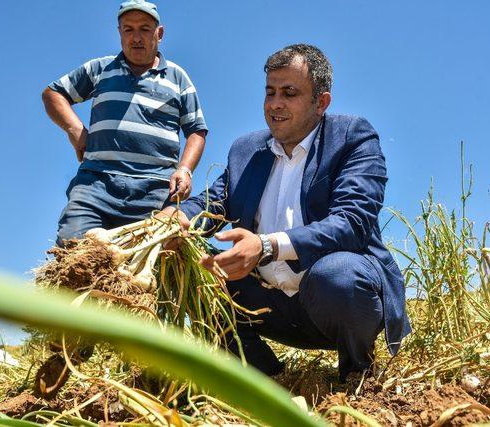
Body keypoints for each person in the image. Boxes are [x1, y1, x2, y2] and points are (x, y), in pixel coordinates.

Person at [163, 44, 410, 380]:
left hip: (335, 299)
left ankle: (357, 377)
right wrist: (182, 217)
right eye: (270, 92)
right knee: (193, 267)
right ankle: (267, 379)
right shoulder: (246, 150)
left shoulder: (352, 137)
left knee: (337, 275)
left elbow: (352, 221)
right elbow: (214, 201)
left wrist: (266, 246)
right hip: (269, 304)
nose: (275, 104)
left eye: (289, 93)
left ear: (321, 102)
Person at [43, 0, 208, 246]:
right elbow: (53, 94)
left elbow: (196, 130)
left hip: (155, 191)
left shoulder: (177, 77)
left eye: (144, 29)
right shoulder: (100, 69)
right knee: (73, 247)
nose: (136, 37)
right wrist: (75, 129)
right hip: (96, 185)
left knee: (153, 262)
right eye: (128, 29)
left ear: (159, 34)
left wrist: (184, 170)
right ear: (119, 32)